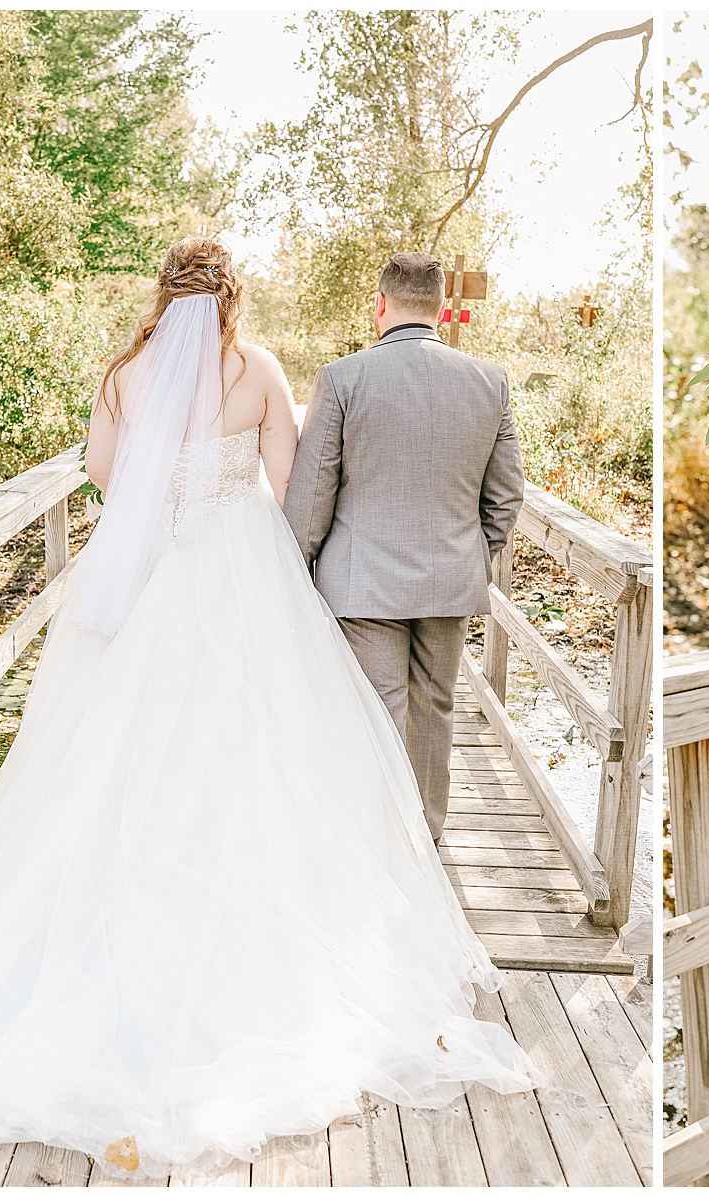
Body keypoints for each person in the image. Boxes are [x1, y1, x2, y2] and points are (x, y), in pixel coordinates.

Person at [0, 238, 538, 1179]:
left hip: (148, 576)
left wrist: (162, 493)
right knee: (267, 739)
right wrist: (269, 537)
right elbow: (294, 479)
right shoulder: (257, 367)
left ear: (163, 295)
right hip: (240, 568)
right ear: (231, 300)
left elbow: (104, 473)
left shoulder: (123, 374)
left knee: (125, 742)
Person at [283, 251, 524, 842]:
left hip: (361, 582)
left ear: (380, 306)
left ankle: (375, 839)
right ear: (441, 308)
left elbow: (314, 492)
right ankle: (426, 837)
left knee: (376, 709)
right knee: (435, 708)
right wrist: (471, 554)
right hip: (449, 581)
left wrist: (296, 566)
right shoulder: (489, 381)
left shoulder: (342, 378)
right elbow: (506, 495)